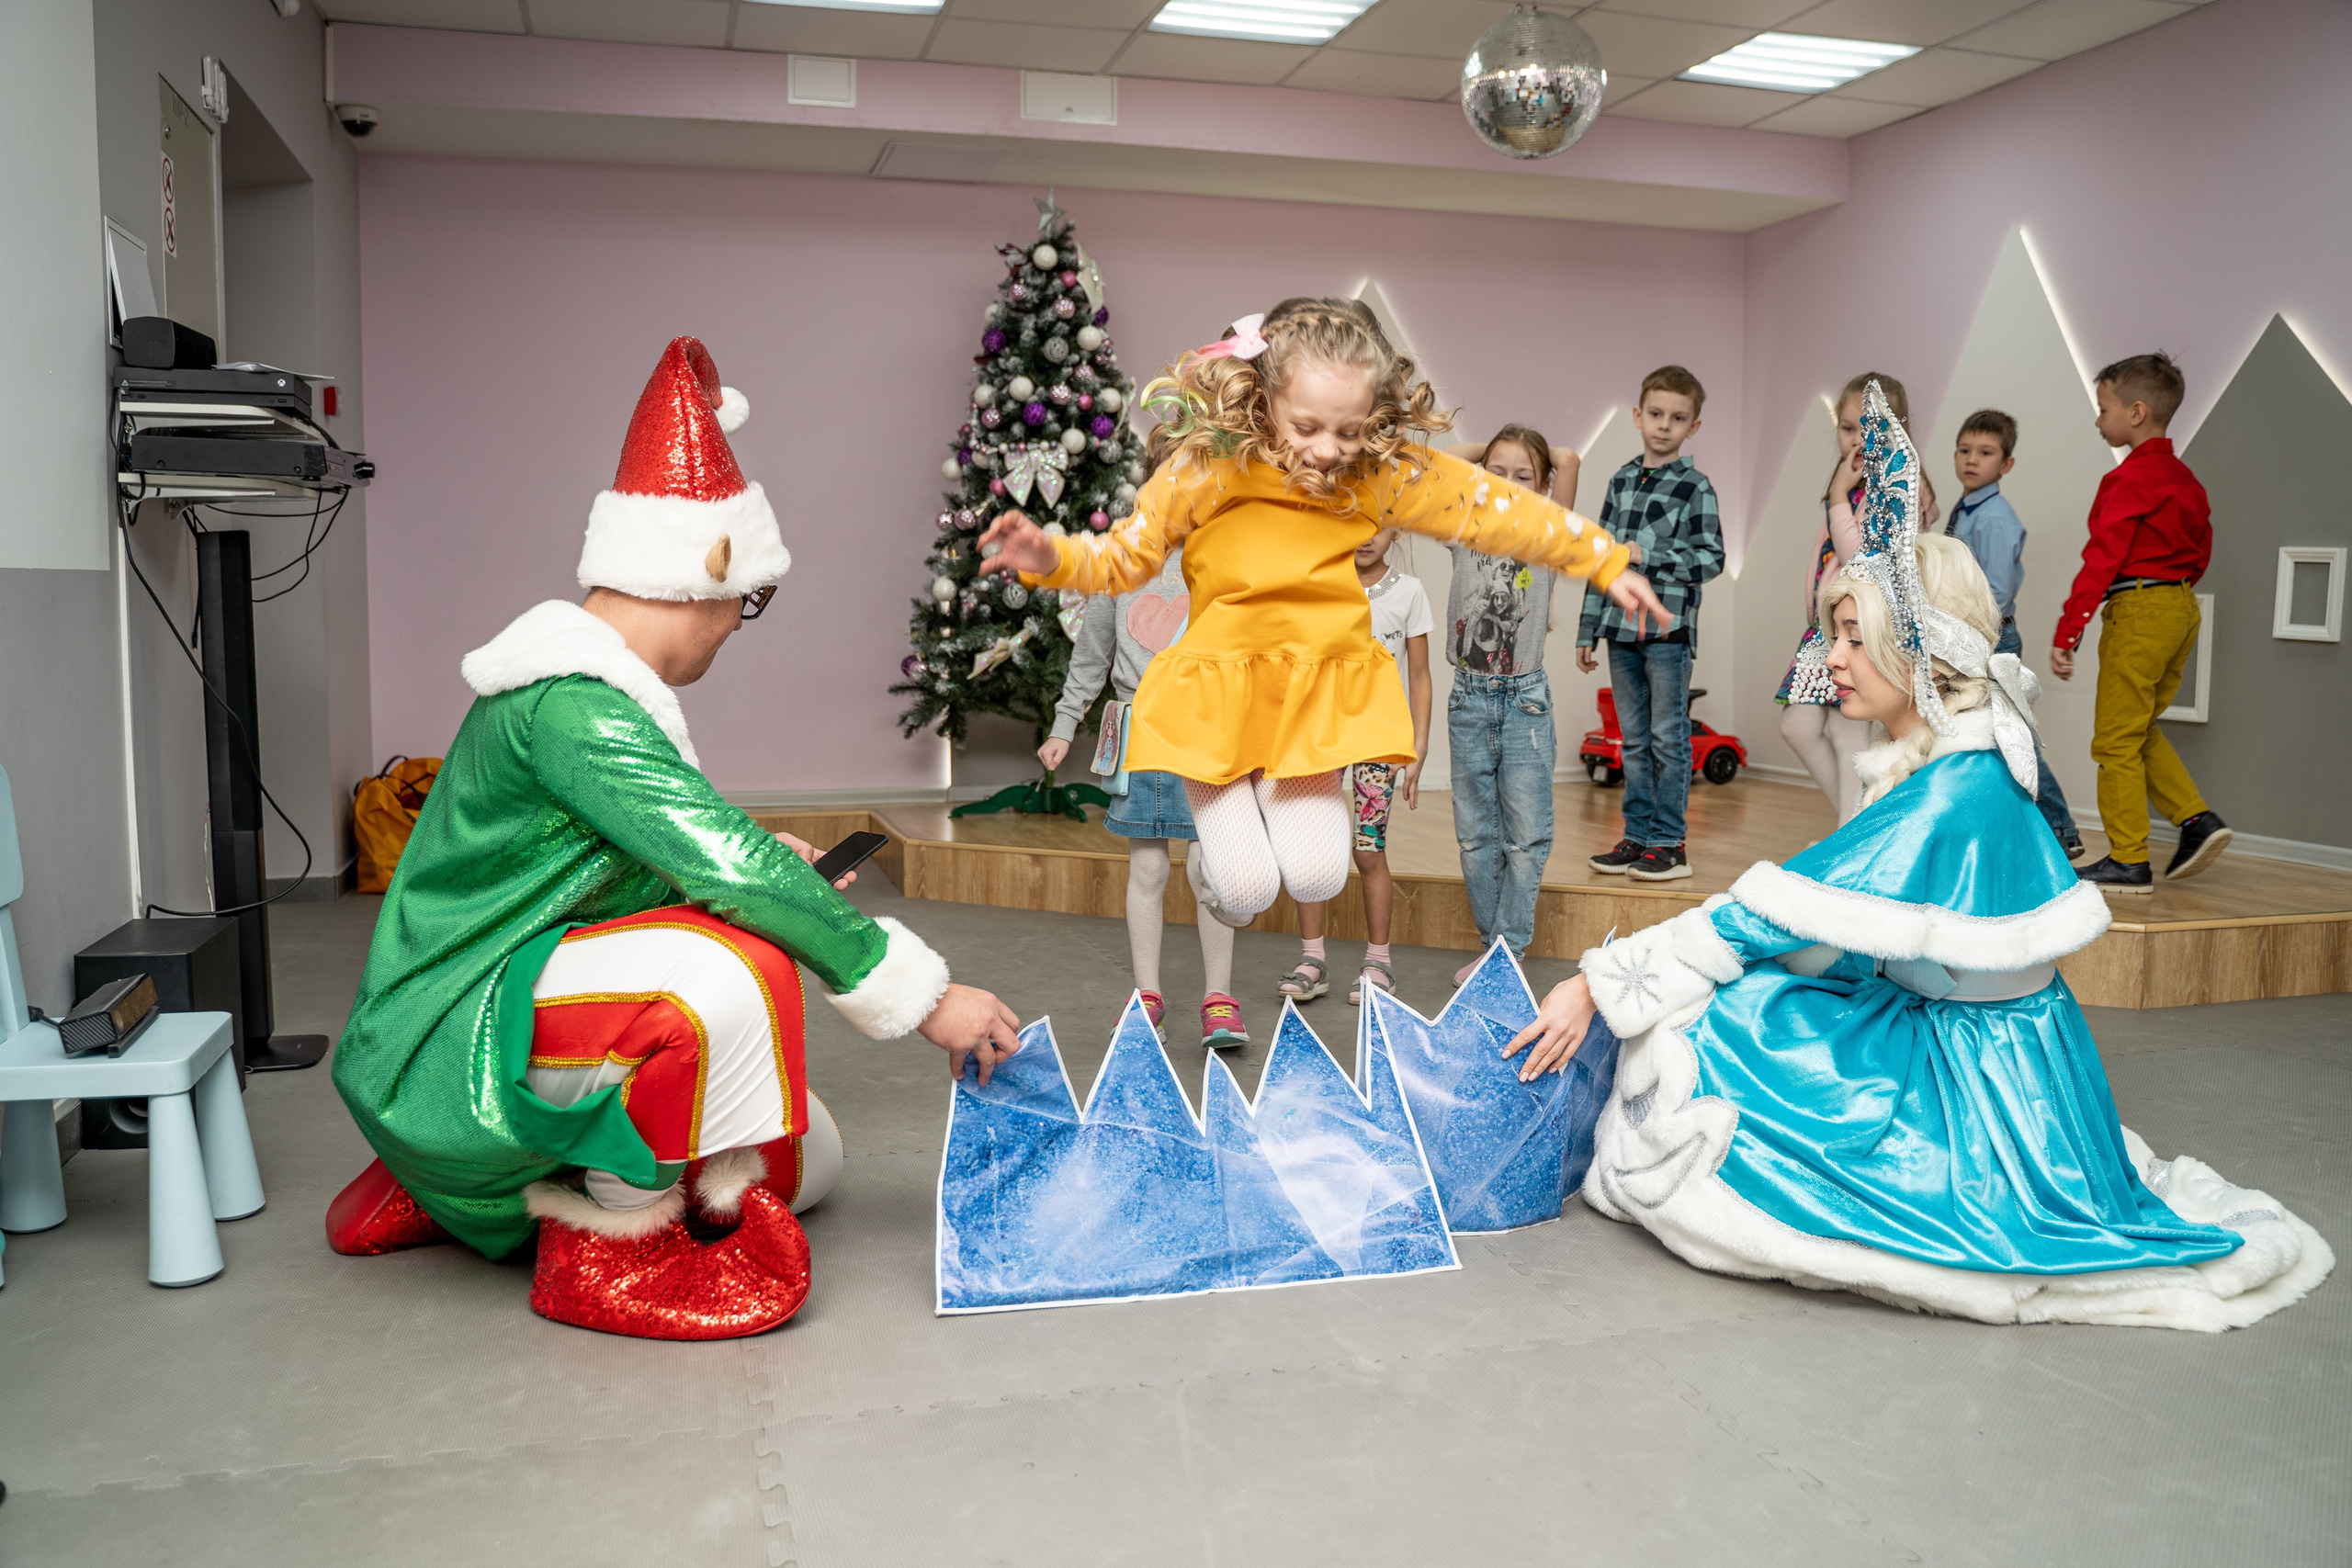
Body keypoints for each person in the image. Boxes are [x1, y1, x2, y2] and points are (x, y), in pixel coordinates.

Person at [1505, 384, 2329, 1330]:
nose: (1833, 659)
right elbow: (1830, 906)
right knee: (1755, 998)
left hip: (1975, 1088)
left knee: (1716, 1027)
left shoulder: (1951, 787)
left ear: (1915, 647)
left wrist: (1598, 983)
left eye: (1853, 638)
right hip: (1989, 1044)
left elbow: (1770, 910)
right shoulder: (1954, 756)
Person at [324, 338, 1024, 1342]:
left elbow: (627, 860)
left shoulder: (580, 691)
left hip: (489, 1003)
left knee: (801, 1161)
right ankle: (608, 1246)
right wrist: (927, 998)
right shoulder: (578, 708)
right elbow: (721, 863)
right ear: (708, 572)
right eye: (749, 601)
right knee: (727, 974)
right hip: (448, 1030)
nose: (741, 625)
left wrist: (752, 864)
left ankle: (479, 1188)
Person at [977, 298, 1669, 938]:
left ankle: (1256, 817)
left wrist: (1601, 557)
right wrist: (1051, 555)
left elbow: (1489, 508)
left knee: (1316, 874)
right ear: (1264, 398)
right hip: (1224, 692)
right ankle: (1223, 828)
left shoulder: (1374, 473)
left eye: (1349, 429)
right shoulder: (1208, 468)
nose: (1328, 449)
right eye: (1306, 426)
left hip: (1314, 698)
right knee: (1244, 891)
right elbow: (1124, 560)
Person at [1040, 532, 1250, 1050]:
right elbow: (1092, 654)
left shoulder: (1226, 556)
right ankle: (1147, 995)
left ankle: (1218, 997)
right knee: (1150, 869)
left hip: (1208, 732)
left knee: (1213, 870)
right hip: (1141, 732)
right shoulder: (1120, 565)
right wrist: (1064, 725)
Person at [2052, 353, 2231, 893]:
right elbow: (2202, 548)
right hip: (2181, 608)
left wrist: (2069, 630)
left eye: (2102, 408)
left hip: (2139, 609)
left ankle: (2129, 860)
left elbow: (2102, 558)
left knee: (2113, 742)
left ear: (2135, 413)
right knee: (2140, 728)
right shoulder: (2185, 479)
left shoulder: (2127, 479)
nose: (2097, 419)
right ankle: (2196, 820)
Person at [1436, 425, 1581, 987]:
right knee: (1475, 834)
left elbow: (1567, 458)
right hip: (1469, 699)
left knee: (1526, 835)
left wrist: (1526, 471)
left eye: (1524, 477)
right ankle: (1492, 948)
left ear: (1543, 488)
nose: (1508, 486)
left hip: (1525, 704)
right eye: (1495, 474)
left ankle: (1507, 951)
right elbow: (1448, 459)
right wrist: (1486, 468)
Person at [1578, 367, 1724, 884]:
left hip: (1668, 636)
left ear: (1694, 426)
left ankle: (1670, 844)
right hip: (1619, 633)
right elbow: (1598, 558)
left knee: (1669, 740)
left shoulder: (1695, 487)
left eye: (1678, 418)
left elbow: (1712, 559)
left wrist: (1650, 552)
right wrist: (1586, 629)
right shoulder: (1619, 480)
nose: (1665, 425)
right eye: (1656, 414)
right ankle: (1637, 838)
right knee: (1633, 742)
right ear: (1639, 416)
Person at [1776, 373, 1939, 825]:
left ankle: (1850, 841)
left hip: (1865, 629)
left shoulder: (1901, 486)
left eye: (1868, 428)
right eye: (1848, 428)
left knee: (1850, 736)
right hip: (1829, 629)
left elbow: (1860, 559)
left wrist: (1834, 497)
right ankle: (1856, 831)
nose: (1857, 440)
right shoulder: (1854, 488)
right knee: (1798, 725)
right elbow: (1825, 563)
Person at [1283, 525, 1432, 1007]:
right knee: (1312, 849)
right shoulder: (1321, 585)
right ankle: (1312, 959)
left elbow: (1421, 674)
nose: (1366, 537)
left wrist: (1417, 746)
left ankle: (1378, 961)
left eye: (1379, 526)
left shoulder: (1409, 591)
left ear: (1397, 530)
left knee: (1369, 851)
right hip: (1321, 738)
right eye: (1354, 524)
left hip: (1377, 739)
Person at [1948, 408, 2085, 859]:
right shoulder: (1967, 508)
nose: (1972, 460)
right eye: (1965, 450)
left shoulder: (1995, 518)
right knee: (1980, 735)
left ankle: (2061, 831)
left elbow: (1998, 592)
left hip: (1993, 638)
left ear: (2005, 465)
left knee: (2012, 737)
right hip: (1973, 637)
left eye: (1985, 453)